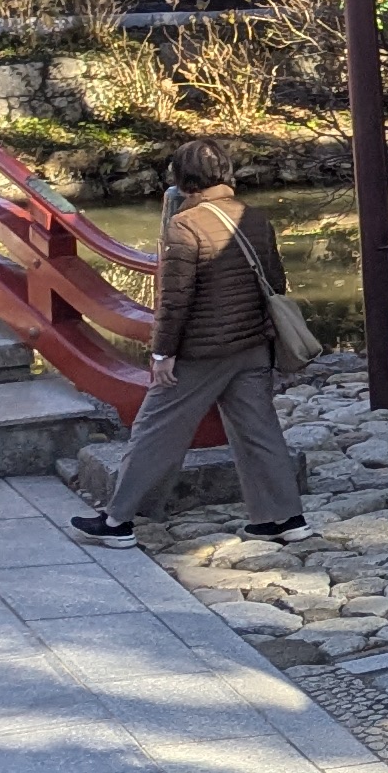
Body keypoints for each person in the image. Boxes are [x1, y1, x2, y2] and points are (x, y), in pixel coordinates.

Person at [74, 139, 302, 546]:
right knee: (260, 432)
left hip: (201, 352)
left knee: (154, 429)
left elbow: (175, 299)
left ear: (182, 179)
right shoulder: (255, 217)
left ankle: (118, 521)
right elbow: (275, 282)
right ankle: (285, 518)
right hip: (252, 345)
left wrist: (163, 352)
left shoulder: (185, 226)